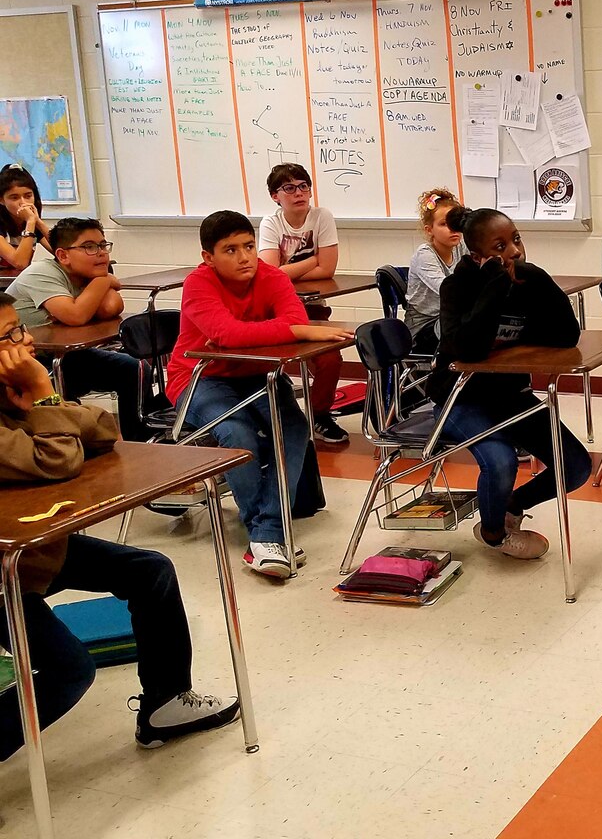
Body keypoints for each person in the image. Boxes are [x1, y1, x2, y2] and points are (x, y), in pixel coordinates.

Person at [0, 292, 240, 755]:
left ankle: (164, 705)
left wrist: (40, 402)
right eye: (9, 336)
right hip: (7, 571)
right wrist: (45, 394)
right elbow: (59, 456)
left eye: (19, 328)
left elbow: (103, 430)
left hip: (34, 550)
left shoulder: (11, 395)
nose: (26, 341)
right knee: (70, 670)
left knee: (149, 571)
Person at [167, 210, 352, 578]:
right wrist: (295, 331)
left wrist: (294, 328)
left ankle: (266, 532)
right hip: (199, 378)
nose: (244, 257)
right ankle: (268, 533)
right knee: (238, 434)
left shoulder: (271, 277)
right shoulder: (198, 284)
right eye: (230, 250)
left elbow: (292, 320)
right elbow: (228, 336)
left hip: (257, 375)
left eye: (249, 246)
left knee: (295, 428)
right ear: (208, 257)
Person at [429, 208, 591, 560]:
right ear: (478, 256)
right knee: (501, 461)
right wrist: (495, 285)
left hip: (508, 394)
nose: (515, 251)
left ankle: (509, 507)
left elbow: (567, 335)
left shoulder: (529, 277)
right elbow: (468, 350)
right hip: (460, 396)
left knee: (575, 465)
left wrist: (534, 281)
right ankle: (492, 533)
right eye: (500, 245)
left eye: (516, 238)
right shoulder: (456, 287)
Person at [4, 216, 147, 442]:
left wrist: (101, 279)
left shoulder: (86, 274)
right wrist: (104, 281)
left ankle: (138, 442)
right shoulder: (42, 272)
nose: (100, 253)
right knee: (72, 407)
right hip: (26, 364)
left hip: (63, 356)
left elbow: (113, 306)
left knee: (135, 368)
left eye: (102, 245)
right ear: (62, 255)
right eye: (89, 247)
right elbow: (76, 315)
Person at [257, 163, 348, 446]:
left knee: (331, 358)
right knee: (267, 363)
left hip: (312, 308)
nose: (299, 193)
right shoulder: (271, 223)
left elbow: (328, 270)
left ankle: (319, 414)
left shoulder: (322, 217)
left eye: (303, 186)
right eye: (289, 188)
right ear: (276, 196)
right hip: (275, 310)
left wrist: (290, 268)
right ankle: (267, 416)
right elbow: (271, 273)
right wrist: (312, 260)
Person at [404, 187, 463, 353]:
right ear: (429, 230)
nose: (452, 229)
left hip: (450, 319)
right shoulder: (425, 255)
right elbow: (448, 290)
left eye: (456, 223)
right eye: (444, 224)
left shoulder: (461, 246)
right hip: (424, 326)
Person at [0, 164, 52, 269]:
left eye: (28, 196)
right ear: (1, 200)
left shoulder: (31, 222)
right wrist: (31, 222)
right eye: (14, 198)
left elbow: (64, 253)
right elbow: (20, 263)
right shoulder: (29, 223)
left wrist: (38, 222)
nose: (23, 203)